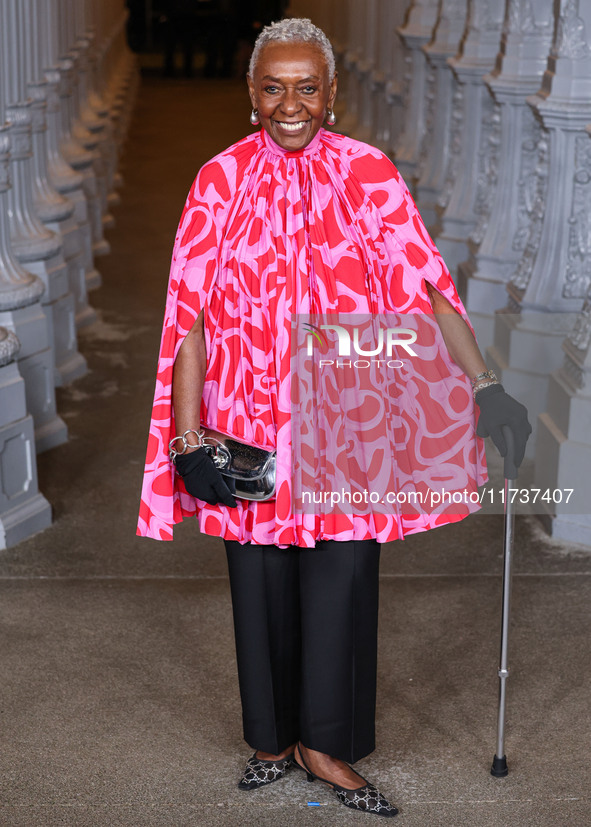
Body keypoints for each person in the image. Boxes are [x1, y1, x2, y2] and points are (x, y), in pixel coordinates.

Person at [138, 18, 531, 818]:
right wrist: (186, 436)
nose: (291, 103)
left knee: (342, 575)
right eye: (274, 86)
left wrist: (485, 385)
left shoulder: (368, 173)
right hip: (242, 419)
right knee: (260, 583)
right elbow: (192, 319)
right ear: (251, 95)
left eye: (306, 86)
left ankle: (327, 743)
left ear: (331, 93)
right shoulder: (218, 180)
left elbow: (427, 293)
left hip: (345, 422)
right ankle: (271, 741)